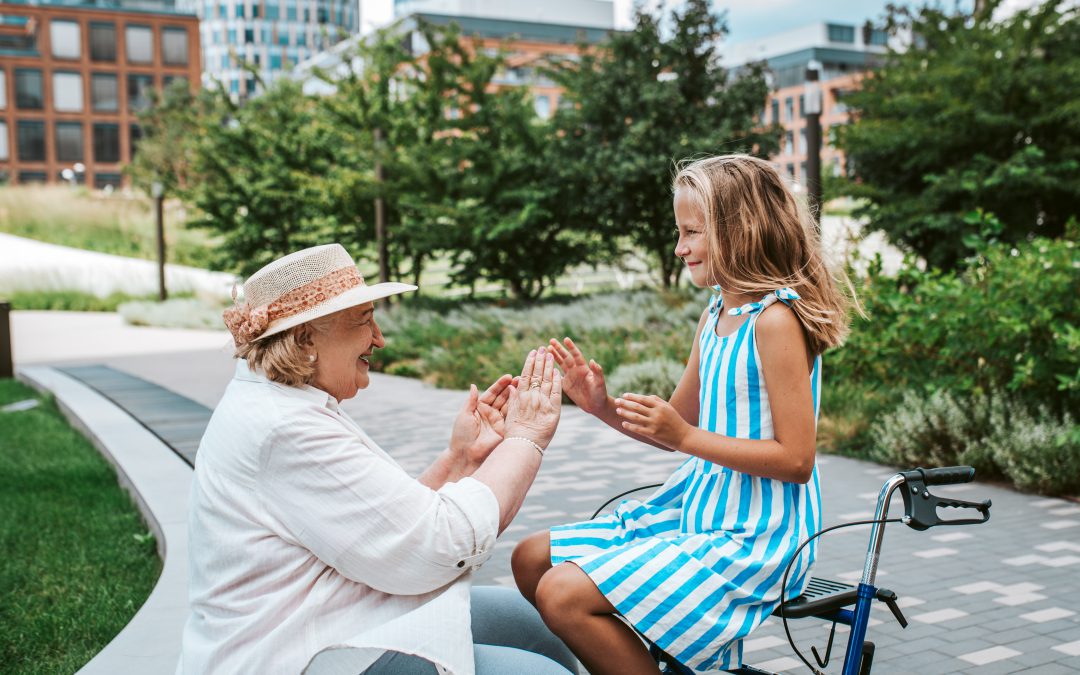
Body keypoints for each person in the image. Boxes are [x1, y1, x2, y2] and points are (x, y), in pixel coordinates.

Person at [511, 155, 853, 674]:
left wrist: (687, 436)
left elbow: (797, 459)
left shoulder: (776, 321)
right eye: (680, 231)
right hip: (700, 510)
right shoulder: (717, 312)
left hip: (759, 537)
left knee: (563, 593)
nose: (680, 247)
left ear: (740, 232)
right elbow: (672, 426)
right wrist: (599, 406)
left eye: (692, 232)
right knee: (530, 558)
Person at [177, 243, 576, 675]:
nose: (379, 338)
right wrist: (526, 437)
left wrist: (460, 460)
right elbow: (439, 546)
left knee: (538, 626)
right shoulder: (283, 429)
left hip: (338, 618)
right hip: (299, 652)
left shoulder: (283, 405)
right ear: (306, 337)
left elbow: (383, 527)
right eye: (364, 319)